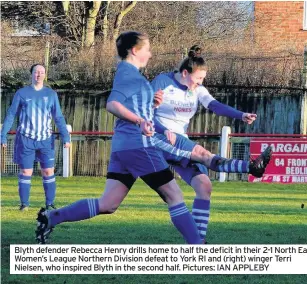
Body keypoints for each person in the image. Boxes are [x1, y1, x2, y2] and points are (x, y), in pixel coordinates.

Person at [34, 31, 203, 245]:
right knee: (174, 195)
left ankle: (51, 217)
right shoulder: (128, 74)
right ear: (134, 50)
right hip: (139, 147)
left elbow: (132, 107)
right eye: (147, 49)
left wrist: (151, 105)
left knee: (108, 204)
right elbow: (113, 104)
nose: (150, 54)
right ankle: (198, 247)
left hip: (123, 149)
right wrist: (139, 121)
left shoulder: (129, 74)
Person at [150, 46, 272, 241]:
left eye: (203, 79)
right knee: (204, 155)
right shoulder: (162, 82)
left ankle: (198, 242)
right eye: (198, 78)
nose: (201, 83)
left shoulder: (197, 89)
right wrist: (163, 130)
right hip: (160, 138)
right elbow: (145, 112)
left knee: (204, 186)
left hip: (180, 140)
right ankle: (250, 167)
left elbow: (215, 105)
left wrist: (241, 115)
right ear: (184, 73)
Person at [1, 64, 71, 211]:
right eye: (36, 72)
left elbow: (58, 117)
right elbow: (11, 115)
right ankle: (24, 204)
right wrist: (3, 136)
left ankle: (50, 204)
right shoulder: (21, 93)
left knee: (48, 171)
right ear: (31, 74)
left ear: (45, 75)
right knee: (26, 172)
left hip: (45, 139)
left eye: (42, 72)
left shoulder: (51, 94)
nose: (38, 75)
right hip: (26, 139)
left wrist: (66, 137)